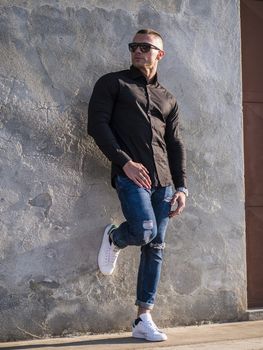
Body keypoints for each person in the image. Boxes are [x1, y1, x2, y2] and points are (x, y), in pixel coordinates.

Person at [88, 28, 187, 342]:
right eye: (134, 46)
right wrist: (124, 162)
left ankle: (143, 318)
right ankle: (116, 237)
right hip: (131, 177)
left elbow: (175, 144)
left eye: (146, 47)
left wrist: (182, 188)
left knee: (155, 247)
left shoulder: (168, 98)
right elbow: (97, 125)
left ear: (160, 54)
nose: (138, 51)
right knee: (144, 230)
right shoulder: (113, 83)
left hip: (164, 184)